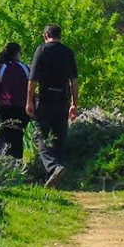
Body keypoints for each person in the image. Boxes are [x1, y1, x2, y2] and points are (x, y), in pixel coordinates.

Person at [27, 24, 78, 188]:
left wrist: (29, 101)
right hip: (63, 100)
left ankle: (54, 167)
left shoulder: (42, 50)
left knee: (39, 136)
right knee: (59, 138)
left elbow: (32, 79)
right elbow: (74, 82)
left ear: (45, 35)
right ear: (59, 35)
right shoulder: (68, 52)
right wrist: (74, 104)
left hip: (45, 100)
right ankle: (57, 179)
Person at [0, 42, 31, 159]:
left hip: (5, 108)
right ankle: (17, 162)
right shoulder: (24, 67)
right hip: (22, 108)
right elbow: (30, 87)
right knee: (18, 136)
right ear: (17, 53)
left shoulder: (2, 68)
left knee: (5, 135)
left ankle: (2, 161)